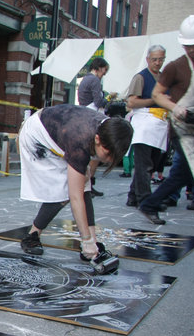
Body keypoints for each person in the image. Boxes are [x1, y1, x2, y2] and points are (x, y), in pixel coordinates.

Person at [138, 14, 194, 237]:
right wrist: (175, 107)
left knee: (182, 174)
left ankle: (150, 204)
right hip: (183, 127)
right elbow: (157, 95)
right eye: (187, 45)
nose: (191, 49)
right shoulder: (175, 66)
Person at [18, 104, 133, 258]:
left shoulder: (110, 130)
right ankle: (32, 235)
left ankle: (92, 242)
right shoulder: (81, 140)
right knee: (63, 191)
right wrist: (86, 240)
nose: (110, 159)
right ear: (98, 140)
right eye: (108, 153)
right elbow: (75, 197)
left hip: (61, 131)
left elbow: (85, 183)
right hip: (37, 136)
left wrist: (91, 240)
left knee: (84, 184)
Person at [124, 45, 169, 208]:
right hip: (144, 123)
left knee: (151, 162)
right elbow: (132, 102)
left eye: (160, 59)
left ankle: (133, 196)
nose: (157, 63)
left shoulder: (164, 78)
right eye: (154, 59)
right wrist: (155, 100)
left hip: (159, 124)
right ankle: (145, 199)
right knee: (144, 164)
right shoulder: (141, 77)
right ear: (148, 59)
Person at [78, 57, 117, 196]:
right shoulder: (94, 80)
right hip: (93, 118)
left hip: (84, 115)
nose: (104, 73)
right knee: (94, 153)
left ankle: (87, 184)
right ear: (99, 67)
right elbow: (99, 102)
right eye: (104, 70)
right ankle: (88, 184)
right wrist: (109, 97)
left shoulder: (85, 79)